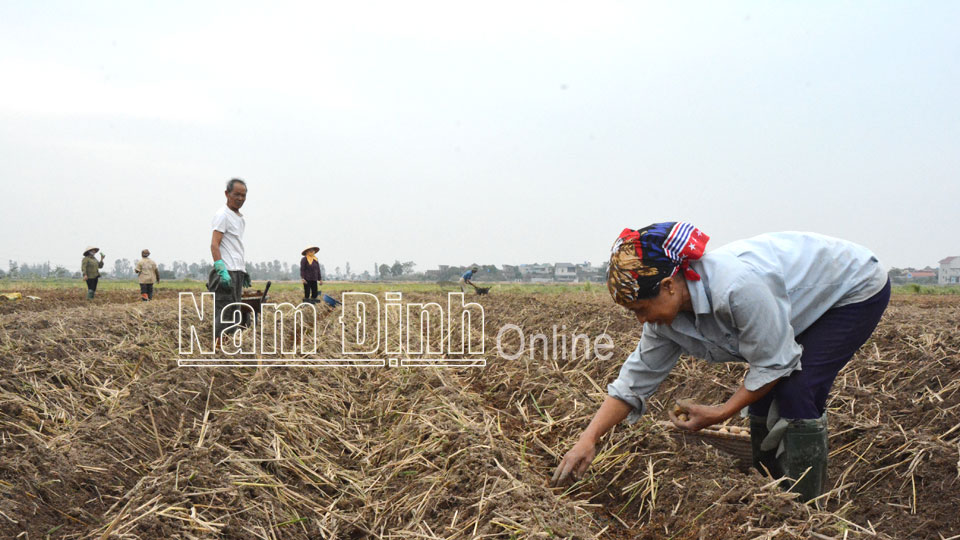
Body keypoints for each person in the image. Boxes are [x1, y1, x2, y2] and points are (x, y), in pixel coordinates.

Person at [550, 222, 890, 503]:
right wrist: (589, 438)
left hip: (850, 288)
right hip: (792, 302)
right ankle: (769, 493)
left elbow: (773, 362)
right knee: (763, 398)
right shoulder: (663, 324)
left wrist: (722, 412)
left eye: (641, 309)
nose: (641, 320)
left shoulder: (737, 288)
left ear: (668, 286)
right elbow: (634, 382)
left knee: (798, 390)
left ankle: (802, 508)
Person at [210, 179, 251, 342]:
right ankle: (218, 347)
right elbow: (214, 244)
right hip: (226, 272)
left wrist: (243, 269)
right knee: (225, 312)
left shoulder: (240, 218)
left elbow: (235, 246)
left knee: (234, 311)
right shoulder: (222, 215)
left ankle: (228, 346)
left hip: (236, 271)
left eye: (243, 195)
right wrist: (221, 269)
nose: (240, 198)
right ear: (227, 194)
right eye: (236, 195)